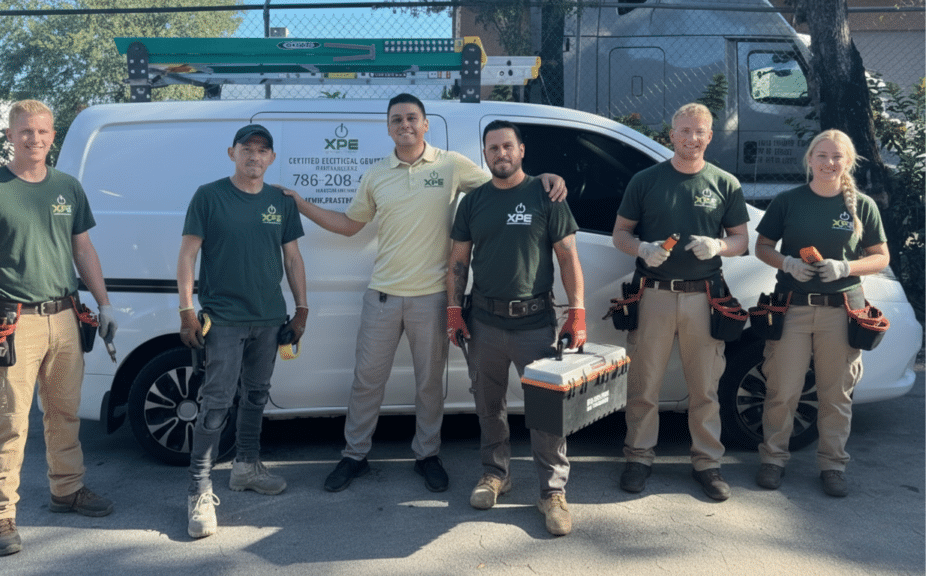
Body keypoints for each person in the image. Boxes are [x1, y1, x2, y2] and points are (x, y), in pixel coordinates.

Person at [284, 94, 566, 494]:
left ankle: (427, 455)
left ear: (425, 124)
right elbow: (350, 225)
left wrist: (545, 179)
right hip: (381, 296)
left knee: (429, 383)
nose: (405, 125)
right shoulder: (377, 174)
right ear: (388, 127)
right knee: (367, 381)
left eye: (412, 118)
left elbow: (506, 184)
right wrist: (300, 204)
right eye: (397, 119)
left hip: (433, 297)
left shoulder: (451, 165)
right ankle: (354, 455)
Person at [0, 99, 118, 556]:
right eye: (26, 132)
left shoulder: (67, 187)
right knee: (9, 422)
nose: (35, 139)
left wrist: (103, 304)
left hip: (64, 317)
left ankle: (67, 490)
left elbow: (83, 250)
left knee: (65, 412)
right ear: (10, 135)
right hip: (12, 322)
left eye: (43, 132)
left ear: (53, 134)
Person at [446, 120, 585, 536]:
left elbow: (568, 257)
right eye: (492, 148)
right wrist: (454, 309)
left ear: (521, 150)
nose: (500, 153)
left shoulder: (546, 195)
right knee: (488, 404)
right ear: (484, 154)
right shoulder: (472, 202)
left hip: (535, 323)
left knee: (546, 412)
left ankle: (552, 492)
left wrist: (577, 310)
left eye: (508, 146)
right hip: (484, 322)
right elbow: (458, 260)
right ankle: (495, 475)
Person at [611, 102, 749, 501]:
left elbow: (742, 240)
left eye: (699, 131)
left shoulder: (725, 184)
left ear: (709, 136)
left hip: (703, 299)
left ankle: (707, 463)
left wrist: (719, 245)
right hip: (653, 295)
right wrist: (642, 248)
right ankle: (638, 457)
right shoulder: (646, 180)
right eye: (684, 130)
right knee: (643, 386)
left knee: (705, 388)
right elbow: (620, 233)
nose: (691, 138)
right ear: (671, 134)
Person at [177, 124, 308, 538]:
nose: (254, 156)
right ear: (232, 153)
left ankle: (246, 468)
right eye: (247, 149)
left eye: (262, 150)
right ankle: (198, 491)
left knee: (255, 395)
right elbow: (187, 254)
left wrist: (302, 308)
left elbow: (293, 258)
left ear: (271, 158)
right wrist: (186, 310)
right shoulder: (209, 196)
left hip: (269, 319)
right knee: (215, 403)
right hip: (225, 319)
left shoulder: (280, 202)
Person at [753, 129, 888, 497]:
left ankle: (832, 465)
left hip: (841, 312)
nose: (829, 163)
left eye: (837, 157)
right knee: (783, 389)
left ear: (848, 162)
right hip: (793, 308)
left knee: (836, 394)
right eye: (822, 155)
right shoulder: (788, 201)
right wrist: (787, 263)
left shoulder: (862, 205)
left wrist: (847, 268)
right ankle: (773, 459)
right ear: (810, 159)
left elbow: (881, 256)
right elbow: (762, 247)